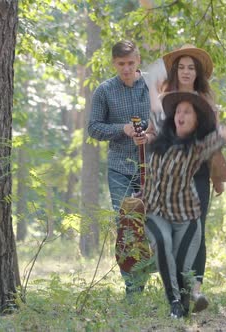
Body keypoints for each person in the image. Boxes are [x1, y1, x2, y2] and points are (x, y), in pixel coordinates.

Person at [144, 77, 226, 319]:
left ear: (197, 120)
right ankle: (175, 302)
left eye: (187, 112)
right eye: (178, 111)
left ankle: (184, 300)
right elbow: (156, 106)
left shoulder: (199, 146)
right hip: (155, 211)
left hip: (187, 216)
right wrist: (153, 86)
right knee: (163, 244)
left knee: (182, 269)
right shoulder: (161, 133)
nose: (180, 115)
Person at [139, 45, 226, 313]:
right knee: (167, 234)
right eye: (182, 67)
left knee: (196, 229)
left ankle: (195, 287)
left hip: (198, 172)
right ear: (175, 71)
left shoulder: (207, 102)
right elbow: (153, 129)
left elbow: (213, 143)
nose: (187, 72)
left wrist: (217, 178)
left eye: (192, 68)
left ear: (197, 73)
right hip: (166, 179)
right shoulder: (164, 99)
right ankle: (176, 291)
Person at [87, 40, 151, 296]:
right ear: (114, 63)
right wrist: (121, 129)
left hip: (153, 167)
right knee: (127, 225)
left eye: (130, 63)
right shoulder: (104, 91)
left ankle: (167, 280)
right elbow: (93, 128)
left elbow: (166, 117)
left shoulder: (153, 86)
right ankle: (134, 290)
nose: (126, 68)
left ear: (138, 60)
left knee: (156, 223)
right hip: (119, 168)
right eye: (121, 64)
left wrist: (149, 133)